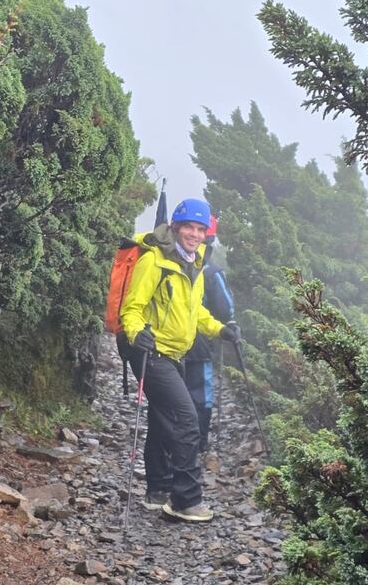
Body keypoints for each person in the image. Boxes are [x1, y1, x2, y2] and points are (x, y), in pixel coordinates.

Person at [120, 199, 240, 523]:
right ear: (175, 226)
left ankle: (157, 491)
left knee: (163, 420)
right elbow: (131, 309)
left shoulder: (194, 262)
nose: (195, 234)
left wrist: (220, 329)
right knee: (187, 420)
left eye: (201, 229)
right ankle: (185, 500)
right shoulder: (155, 261)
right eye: (189, 227)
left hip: (176, 353)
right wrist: (136, 333)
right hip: (151, 352)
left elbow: (195, 311)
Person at [183, 216, 236, 453]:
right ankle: (199, 442)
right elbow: (226, 309)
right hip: (201, 344)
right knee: (200, 395)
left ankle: (172, 443)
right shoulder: (212, 271)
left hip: (166, 343)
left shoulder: (171, 263)